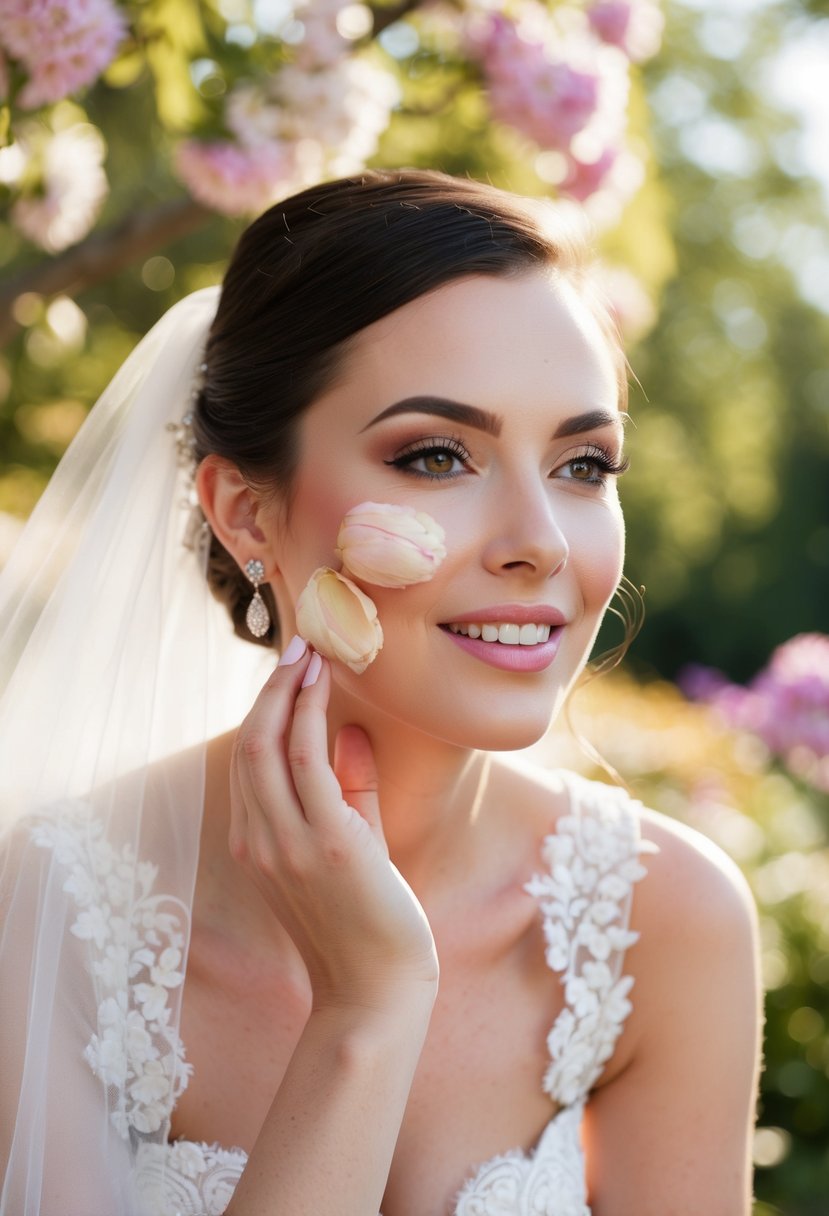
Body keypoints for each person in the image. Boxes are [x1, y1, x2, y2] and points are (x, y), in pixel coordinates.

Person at [0, 169, 761, 1216]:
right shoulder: (46, 915)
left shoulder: (666, 920)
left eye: (584, 464)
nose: (539, 541)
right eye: (438, 455)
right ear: (246, 514)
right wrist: (365, 1009)